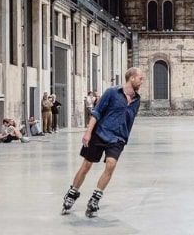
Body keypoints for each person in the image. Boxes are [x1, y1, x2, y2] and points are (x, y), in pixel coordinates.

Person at [61, 67, 144, 218]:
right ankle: (72, 193)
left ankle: (95, 199)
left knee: (111, 165)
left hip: (118, 138)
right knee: (86, 165)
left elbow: (130, 121)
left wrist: (125, 138)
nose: (142, 81)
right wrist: (88, 132)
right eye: (140, 78)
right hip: (100, 133)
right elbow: (97, 112)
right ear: (131, 78)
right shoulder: (112, 92)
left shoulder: (137, 100)